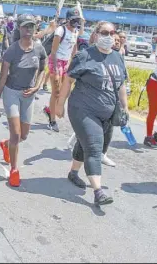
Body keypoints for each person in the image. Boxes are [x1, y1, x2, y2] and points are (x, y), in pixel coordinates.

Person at [56, 21, 128, 206]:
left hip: (107, 113)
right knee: (94, 148)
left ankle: (73, 173)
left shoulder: (118, 57)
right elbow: (67, 81)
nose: (109, 36)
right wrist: (60, 104)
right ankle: (98, 191)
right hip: (83, 110)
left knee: (85, 142)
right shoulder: (85, 55)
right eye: (105, 32)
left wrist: (125, 107)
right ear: (95, 34)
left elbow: (121, 86)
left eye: (113, 32)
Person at [0, 14, 47, 187]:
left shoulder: (39, 48)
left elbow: (43, 70)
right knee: (15, 134)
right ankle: (14, 170)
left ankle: (6, 145)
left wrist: (37, 86)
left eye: (31, 26)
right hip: (11, 93)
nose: (28, 29)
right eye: (25, 26)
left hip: (28, 95)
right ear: (19, 28)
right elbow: (2, 78)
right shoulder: (12, 50)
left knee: (23, 135)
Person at [44, 7, 84, 132]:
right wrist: (55, 68)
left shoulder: (76, 32)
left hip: (67, 63)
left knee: (63, 92)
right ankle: (52, 120)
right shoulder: (60, 31)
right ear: (67, 20)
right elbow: (54, 51)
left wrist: (73, 64)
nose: (76, 23)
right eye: (74, 20)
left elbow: (74, 50)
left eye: (77, 20)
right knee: (55, 92)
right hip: (56, 61)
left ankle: (50, 109)